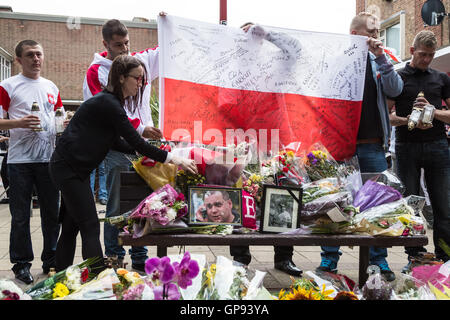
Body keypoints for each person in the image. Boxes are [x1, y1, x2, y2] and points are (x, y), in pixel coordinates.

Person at [49, 55, 197, 272]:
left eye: (142, 79)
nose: (141, 83)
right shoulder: (109, 104)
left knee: (72, 227)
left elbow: (118, 143)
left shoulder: (111, 103)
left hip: (71, 169)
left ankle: (61, 277)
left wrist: (151, 153)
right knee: (90, 226)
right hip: (68, 170)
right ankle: (99, 283)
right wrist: (173, 158)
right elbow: (135, 140)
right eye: (137, 78)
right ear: (120, 78)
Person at [319, 12, 404, 282]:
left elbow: (396, 90)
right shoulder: (336, 63)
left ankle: (378, 263)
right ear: (355, 35)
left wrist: (381, 58)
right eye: (372, 32)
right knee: (335, 203)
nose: (377, 37)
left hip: (372, 148)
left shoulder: (380, 61)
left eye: (379, 32)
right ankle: (328, 262)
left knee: (378, 206)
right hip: (342, 147)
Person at [83, 18, 164, 272]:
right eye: (118, 45)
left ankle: (140, 256)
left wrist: (168, 23)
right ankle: (114, 255)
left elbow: (170, 48)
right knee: (118, 203)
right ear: (105, 43)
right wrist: (140, 128)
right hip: (118, 147)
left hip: (143, 144)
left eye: (127, 43)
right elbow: (107, 111)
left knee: (143, 202)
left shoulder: (140, 61)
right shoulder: (97, 71)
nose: (125, 49)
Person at [227, 22, 303, 277]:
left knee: (283, 197)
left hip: (278, 142)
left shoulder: (275, 63)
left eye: (254, 38)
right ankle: (240, 256)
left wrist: (269, 33)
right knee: (240, 197)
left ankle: (284, 257)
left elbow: (296, 50)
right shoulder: (232, 68)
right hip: (244, 143)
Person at [0, 40, 62, 284]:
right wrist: (18, 123)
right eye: (30, 55)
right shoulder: (7, 86)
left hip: (48, 159)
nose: (36, 59)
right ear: (18, 60)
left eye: (39, 54)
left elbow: (57, 117)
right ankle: (21, 264)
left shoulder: (51, 86)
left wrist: (63, 124)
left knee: (51, 213)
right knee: (20, 216)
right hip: (19, 162)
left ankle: (51, 260)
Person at [387, 30, 450, 271]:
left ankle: (445, 259)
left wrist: (434, 112)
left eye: (431, 55)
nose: (427, 60)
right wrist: (406, 119)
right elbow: (388, 116)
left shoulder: (441, 78)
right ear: (412, 51)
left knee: (444, 207)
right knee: (411, 206)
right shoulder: (398, 77)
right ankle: (416, 258)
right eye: (423, 54)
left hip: (438, 147)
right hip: (406, 147)